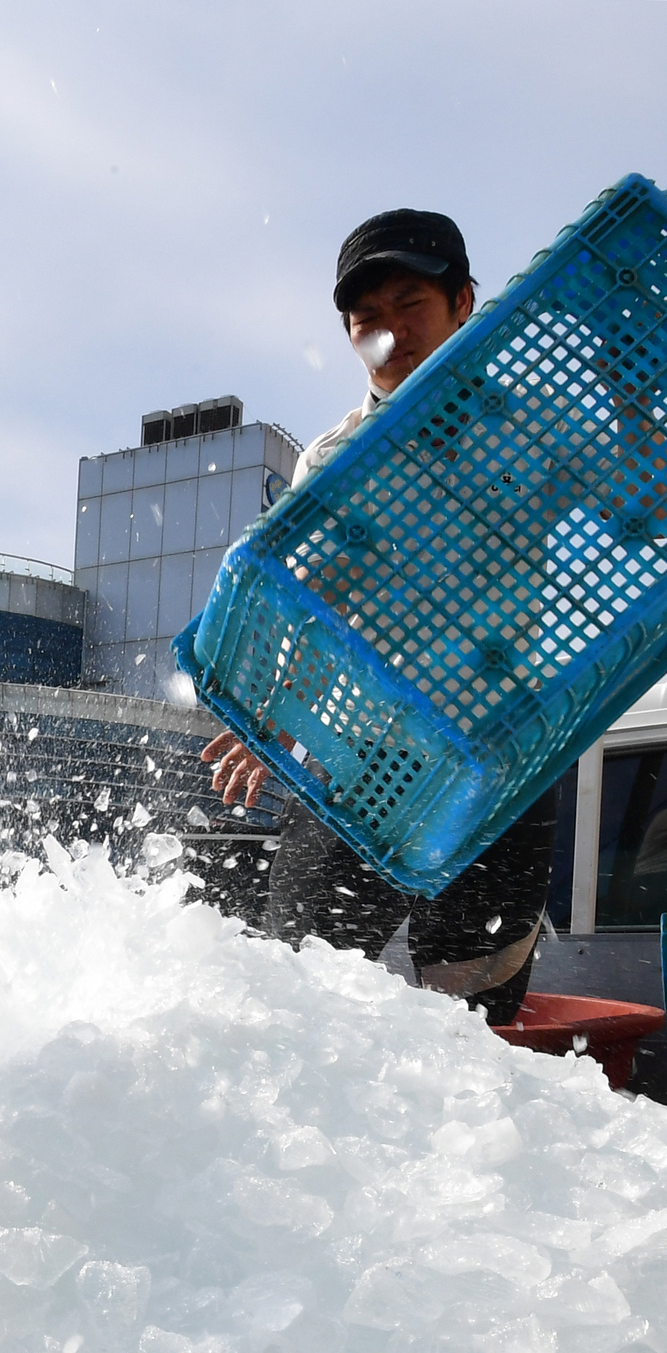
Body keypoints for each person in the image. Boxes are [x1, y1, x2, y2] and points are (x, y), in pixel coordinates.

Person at [202, 209, 559, 1025]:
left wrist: (635, 396)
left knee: (477, 1027)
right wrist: (264, 711)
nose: (391, 337)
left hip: (496, 765)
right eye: (368, 323)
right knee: (293, 1000)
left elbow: (641, 499)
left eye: (412, 307)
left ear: (464, 302)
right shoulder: (330, 460)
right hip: (354, 763)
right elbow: (306, 601)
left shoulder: (530, 428)